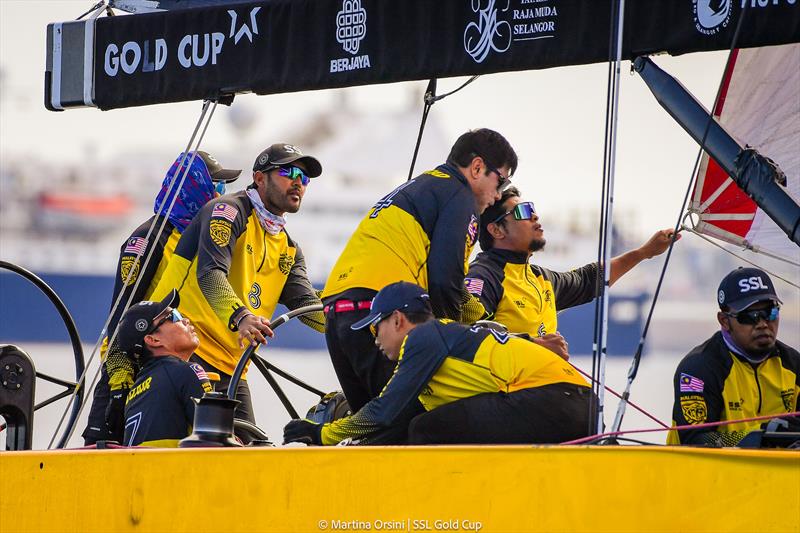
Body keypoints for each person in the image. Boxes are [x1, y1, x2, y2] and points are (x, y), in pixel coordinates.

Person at [320, 128, 518, 412]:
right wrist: (459, 342)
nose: (498, 195)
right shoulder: (459, 195)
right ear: (477, 167)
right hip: (383, 314)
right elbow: (445, 282)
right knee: (413, 423)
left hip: (337, 310)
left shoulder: (423, 186)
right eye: (501, 181)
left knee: (370, 427)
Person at [284, 282, 595, 446]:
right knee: (427, 423)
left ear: (397, 320)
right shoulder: (447, 338)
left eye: (374, 326)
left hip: (555, 400)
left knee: (425, 428)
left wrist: (321, 434)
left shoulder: (422, 339)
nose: (374, 338)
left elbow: (383, 411)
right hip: (582, 407)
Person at [150, 143, 325, 423]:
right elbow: (210, 273)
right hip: (183, 352)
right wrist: (241, 317)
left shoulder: (290, 248)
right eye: (288, 172)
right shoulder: (228, 210)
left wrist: (357, 321)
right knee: (197, 449)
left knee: (250, 454)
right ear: (259, 178)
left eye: (304, 178)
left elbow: (308, 307)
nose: (298, 182)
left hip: (232, 368)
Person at [83, 151, 240, 445]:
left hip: (166, 357)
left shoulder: (197, 237)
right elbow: (121, 315)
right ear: (194, 188)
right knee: (106, 449)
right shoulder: (148, 238)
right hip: (126, 363)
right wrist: (119, 378)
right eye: (218, 187)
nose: (222, 196)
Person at [465, 186, 678, 359]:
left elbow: (589, 279)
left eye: (533, 209)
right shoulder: (484, 276)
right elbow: (468, 335)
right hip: (504, 394)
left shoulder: (540, 278)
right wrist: (534, 344)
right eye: (524, 212)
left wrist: (644, 252)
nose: (535, 216)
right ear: (496, 230)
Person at [667, 267, 799, 446]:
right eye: (749, 316)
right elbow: (695, 440)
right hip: (707, 472)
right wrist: (762, 436)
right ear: (724, 320)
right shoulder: (698, 369)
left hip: (775, 471)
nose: (762, 323)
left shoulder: (793, 364)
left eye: (770, 312)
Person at [116, 290, 213, 447]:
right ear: (153, 339)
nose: (186, 320)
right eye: (175, 317)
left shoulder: (134, 392)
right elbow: (215, 439)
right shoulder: (186, 372)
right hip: (171, 470)